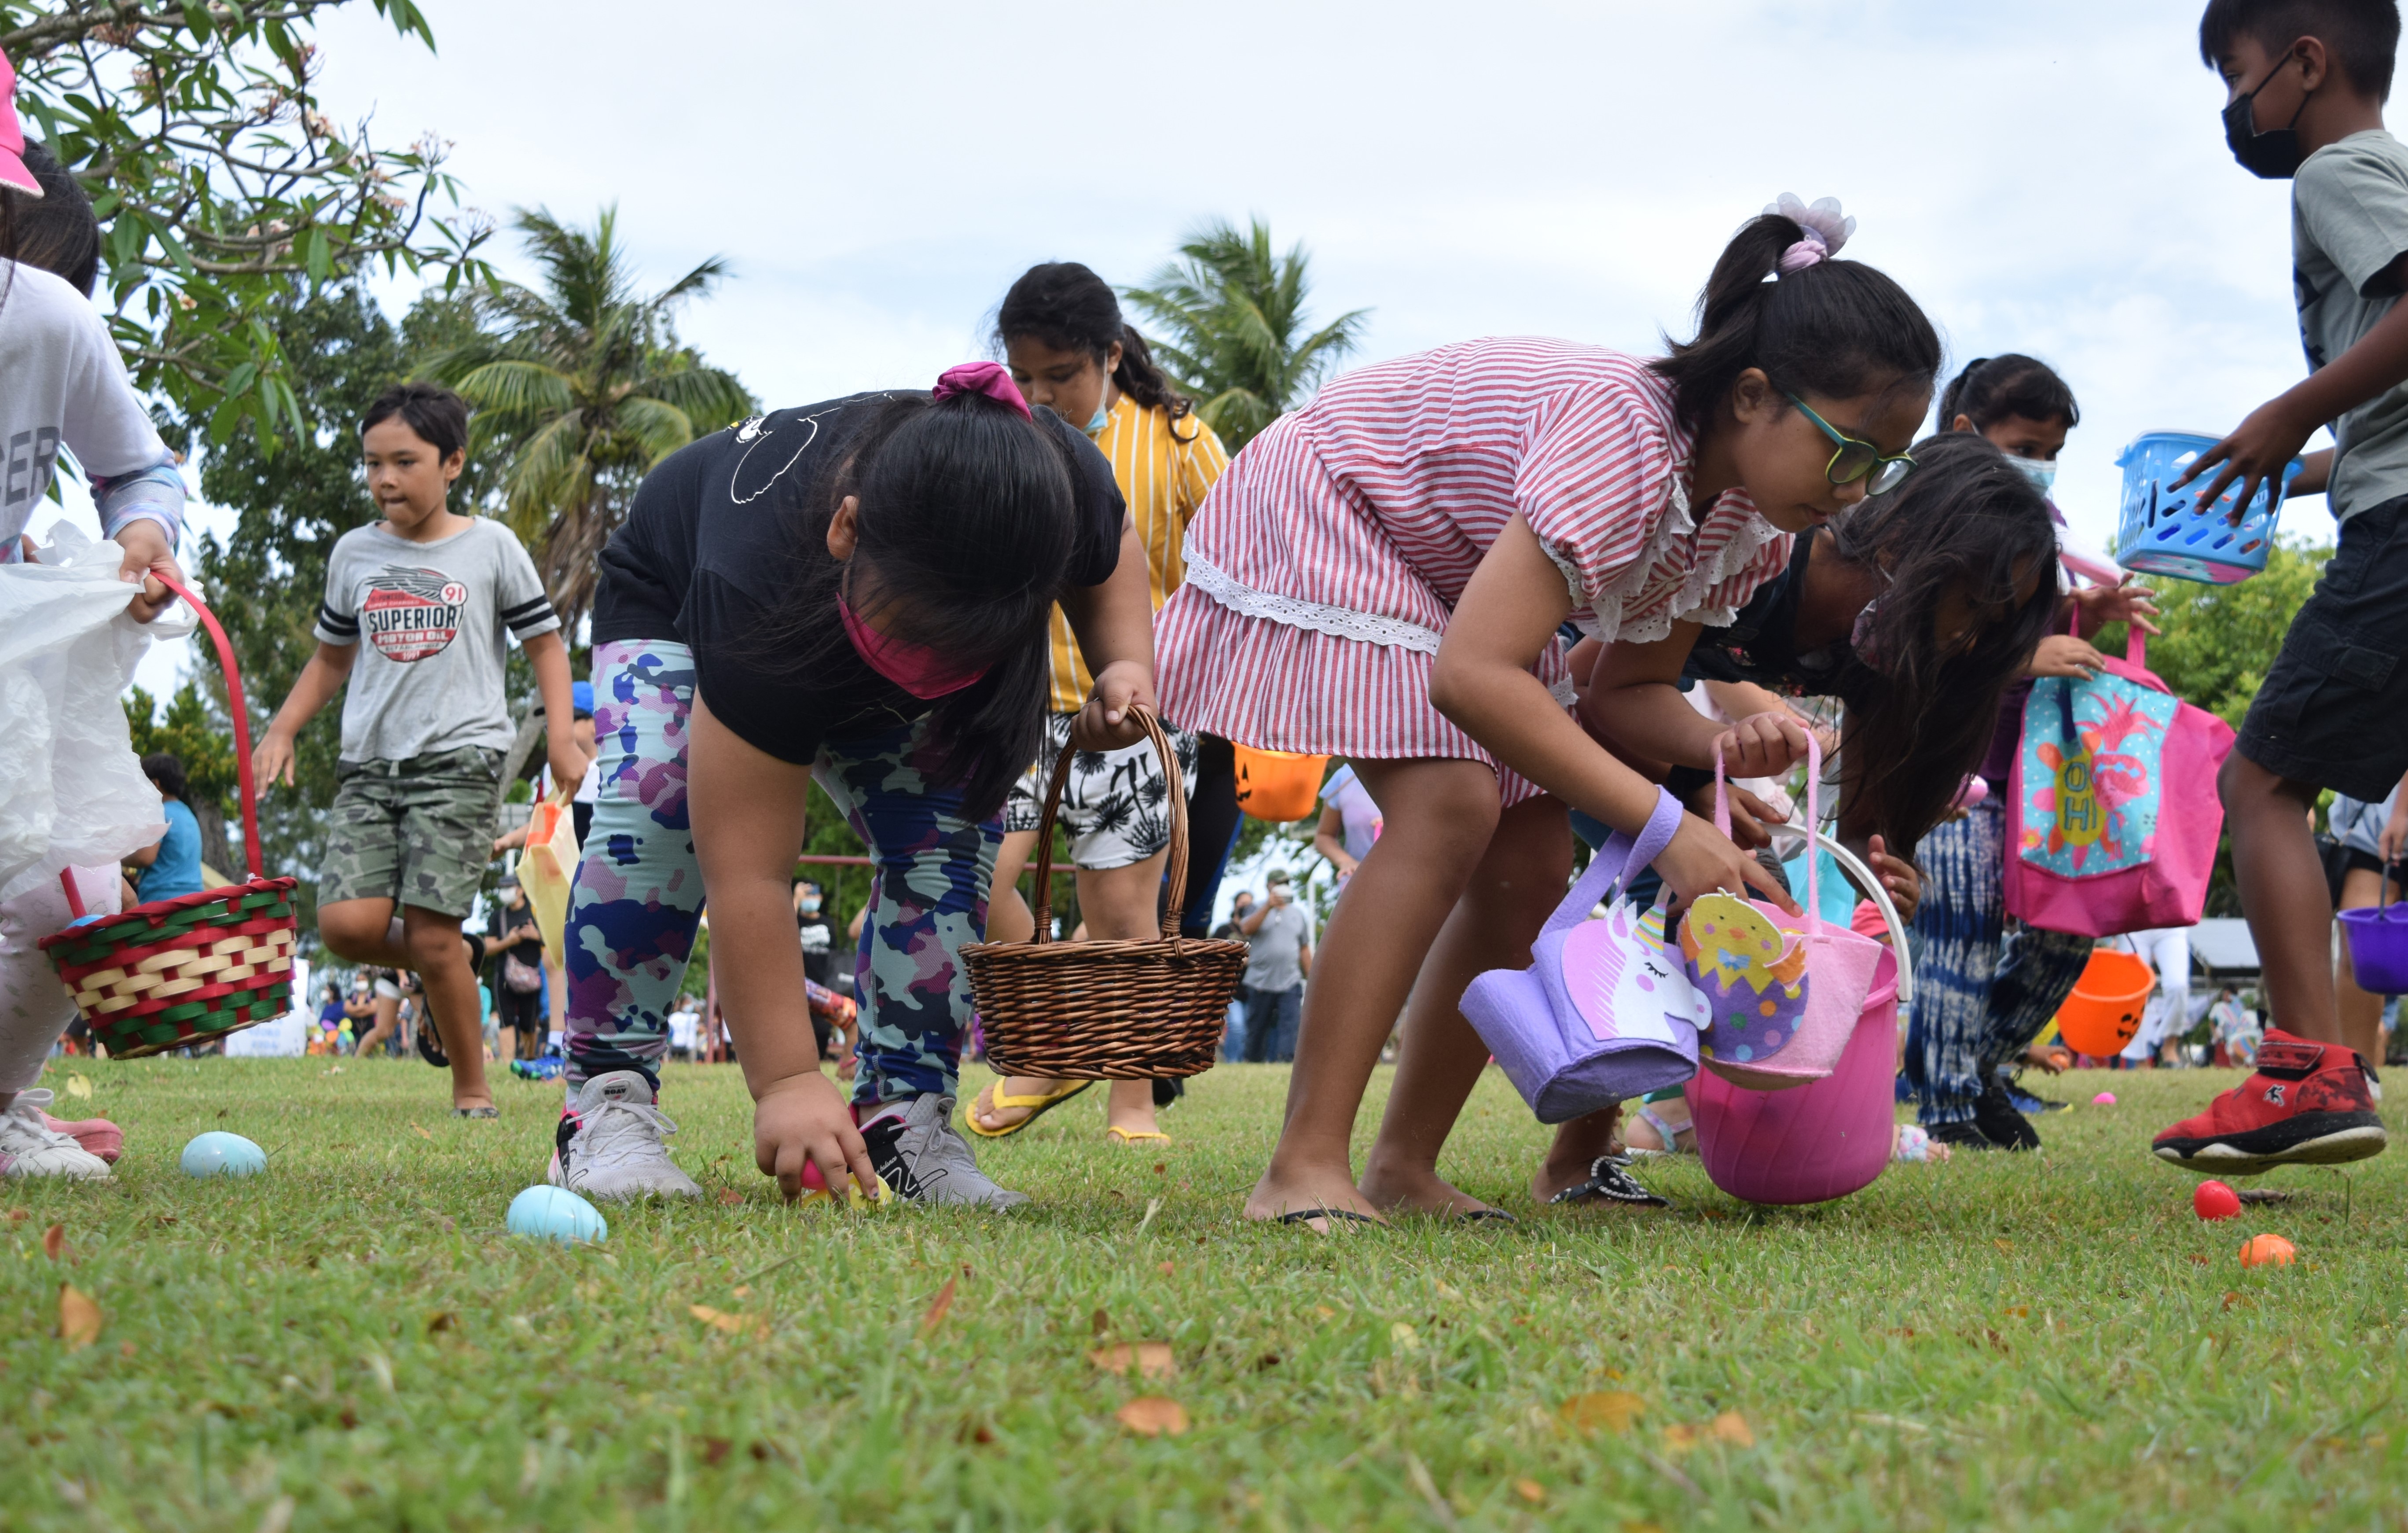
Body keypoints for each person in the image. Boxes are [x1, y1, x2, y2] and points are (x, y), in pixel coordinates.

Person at [1154, 197, 1940, 1224]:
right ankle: (1300, 1164)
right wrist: (1664, 832)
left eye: (1883, 465)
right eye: (1848, 450)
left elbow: (1624, 693)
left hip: (1443, 582)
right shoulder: (1627, 435)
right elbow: (1472, 675)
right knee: (1448, 803)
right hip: (1335, 501)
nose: (1855, 490)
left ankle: (1400, 1163)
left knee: (1527, 856)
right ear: (1752, 396)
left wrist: (1715, 753)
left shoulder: (1746, 519)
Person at [546, 362, 1153, 1205]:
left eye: (970, 645)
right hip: (679, 595)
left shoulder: (1054, 479)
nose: (937, 671)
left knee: (950, 841)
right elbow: (749, 870)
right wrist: (789, 1080)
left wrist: (1122, 663)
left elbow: (1111, 546)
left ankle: (906, 1120)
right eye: (922, 634)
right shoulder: (753, 576)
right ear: (847, 528)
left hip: (843, 602)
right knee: (661, 809)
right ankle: (606, 1105)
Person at [1567, 429, 2092, 1176]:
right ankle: (1596, 1140)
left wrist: (1888, 886)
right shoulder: (1763, 556)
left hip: (1620, 720)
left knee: (1723, 898)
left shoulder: (1879, 652)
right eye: (1973, 604)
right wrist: (1697, 777)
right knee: (1595, 884)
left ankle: (1615, 1142)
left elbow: (1865, 837)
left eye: (1995, 625)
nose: (1972, 638)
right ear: (1907, 541)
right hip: (1543, 674)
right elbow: (1591, 682)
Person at [2154, 0, 2402, 1173]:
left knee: (2263, 781)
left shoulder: (2340, 172)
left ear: (2307, 65)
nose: (2234, 108)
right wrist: (2298, 468)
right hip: (2383, 494)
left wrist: (2287, 408)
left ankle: (2307, 1075)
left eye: (2240, 76)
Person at [251, 381, 584, 1116]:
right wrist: (282, 727)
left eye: (404, 461)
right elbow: (331, 658)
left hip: (461, 761)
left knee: (432, 930)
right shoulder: (354, 553)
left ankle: (472, 1087)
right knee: (347, 927)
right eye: (372, 463)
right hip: (369, 765)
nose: (385, 479)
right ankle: (455, 962)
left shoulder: (490, 546)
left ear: (453, 461)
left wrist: (560, 735)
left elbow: (545, 645)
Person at [970, 263, 1233, 1146]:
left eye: (1062, 374)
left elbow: (1235, 568)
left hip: (1135, 717)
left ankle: (1129, 1104)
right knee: (976, 879)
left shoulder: (1182, 443)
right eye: (1026, 376)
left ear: (1112, 356)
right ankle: (1055, 1046)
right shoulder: (996, 437)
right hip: (1017, 713)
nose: (1040, 395)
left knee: (1126, 917)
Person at [0, 100, 191, 1181]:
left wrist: (144, 534)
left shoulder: (48, 320)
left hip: (13, 631)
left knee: (68, 886)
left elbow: (138, 468)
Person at [2329, 777, 2405, 1065]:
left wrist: (2403, 810)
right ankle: (2357, 1074)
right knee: (2360, 953)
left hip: (2391, 810)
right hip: (2368, 820)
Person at [1237, 871, 1315, 1063]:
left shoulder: (1297, 914)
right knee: (1257, 1029)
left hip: (1290, 981)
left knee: (1290, 1026)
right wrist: (1268, 906)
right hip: (1260, 982)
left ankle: (1287, 1062)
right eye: (1279, 884)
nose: (1283, 887)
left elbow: (1304, 948)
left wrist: (1313, 978)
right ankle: (1252, 1062)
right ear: (1269, 886)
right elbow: (1246, 929)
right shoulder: (1255, 909)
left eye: (1287, 883)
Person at [127, 753, 207, 903]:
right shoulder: (188, 815)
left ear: (155, 784)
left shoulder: (159, 812)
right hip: (195, 899)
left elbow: (145, 858)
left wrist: (116, 858)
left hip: (162, 902)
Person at [486, 876, 546, 1065]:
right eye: (502, 888)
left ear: (521, 889)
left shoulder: (536, 911)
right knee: (506, 1020)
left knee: (530, 1023)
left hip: (533, 977)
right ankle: (508, 1064)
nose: (505, 891)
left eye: (509, 887)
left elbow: (555, 940)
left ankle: (529, 1060)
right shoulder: (499, 916)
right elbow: (488, 947)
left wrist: (535, 935)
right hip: (504, 976)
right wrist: (509, 941)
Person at [1313, 763, 1383, 890]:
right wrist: (1346, 862)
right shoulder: (1344, 777)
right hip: (1361, 886)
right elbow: (1324, 836)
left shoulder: (1419, 771)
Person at [794, 880, 836, 988]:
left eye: (814, 895)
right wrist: (797, 899)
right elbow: (783, 928)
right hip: (800, 982)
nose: (811, 899)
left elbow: (835, 952)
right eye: (807, 896)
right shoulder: (794, 920)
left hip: (824, 982)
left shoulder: (828, 922)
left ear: (820, 898)